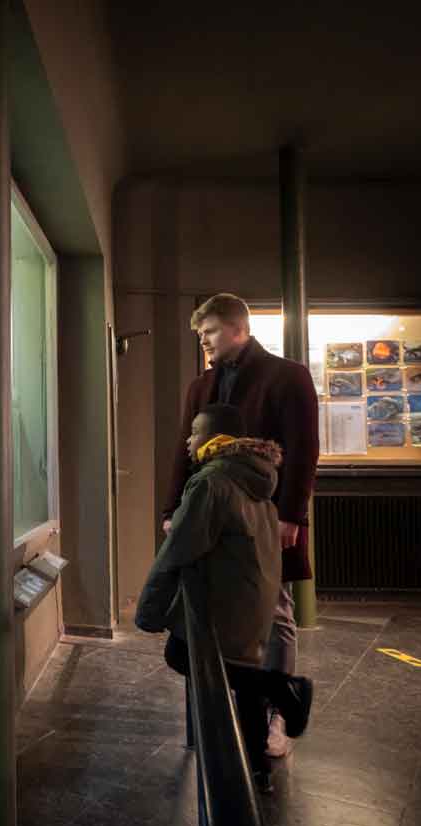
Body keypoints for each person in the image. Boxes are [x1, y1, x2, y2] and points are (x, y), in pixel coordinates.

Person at [163, 293, 319, 758]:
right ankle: (256, 702)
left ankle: (275, 715)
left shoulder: (288, 376)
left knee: (275, 610)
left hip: (268, 517)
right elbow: (185, 450)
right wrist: (170, 510)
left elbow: (303, 447)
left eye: (209, 332)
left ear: (237, 328)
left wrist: (292, 514)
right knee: (219, 610)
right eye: (200, 334)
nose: (204, 342)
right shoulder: (200, 386)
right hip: (213, 515)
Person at [139, 403, 313, 792]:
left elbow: (178, 549)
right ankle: (256, 770)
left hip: (225, 600)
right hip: (255, 597)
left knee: (182, 654)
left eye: (195, 431)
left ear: (215, 437)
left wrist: (149, 609)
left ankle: (283, 690)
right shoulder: (258, 479)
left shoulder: (212, 482)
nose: (188, 439)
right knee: (246, 682)